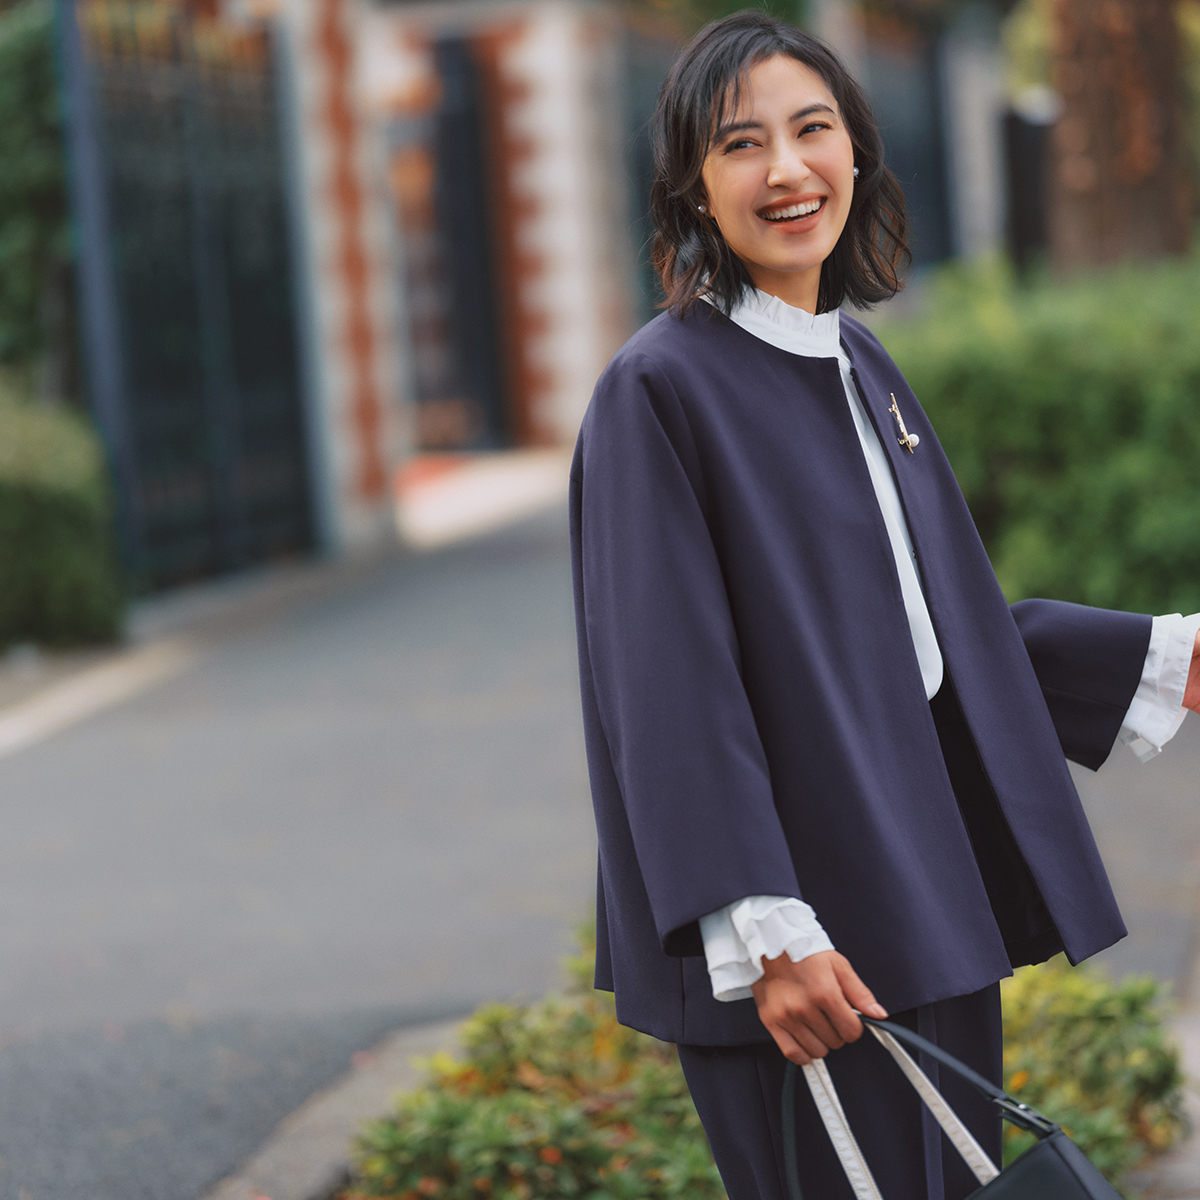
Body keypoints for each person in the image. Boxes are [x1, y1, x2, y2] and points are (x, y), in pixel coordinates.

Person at [568, 10, 1200, 1200]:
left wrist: (1160, 659)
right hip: (805, 946)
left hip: (924, 900)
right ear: (694, 186)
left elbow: (920, 636)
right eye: (742, 144)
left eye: (812, 129)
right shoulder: (658, 392)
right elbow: (667, 694)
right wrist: (765, 930)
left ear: (855, 151)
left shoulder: (860, 364)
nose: (787, 169)